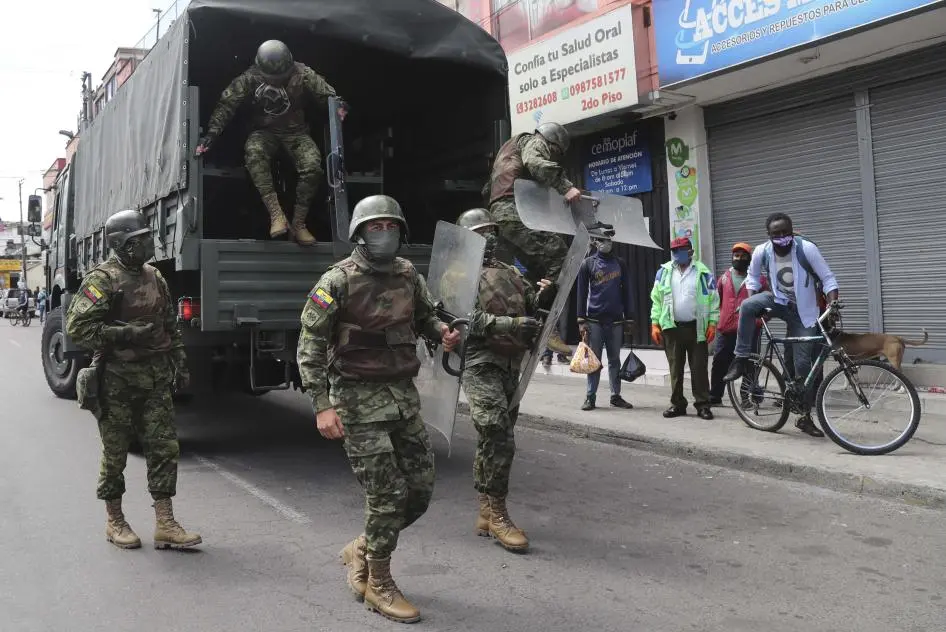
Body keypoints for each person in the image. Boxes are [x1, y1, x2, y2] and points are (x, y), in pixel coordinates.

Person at [297, 195, 461, 624]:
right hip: (356, 400)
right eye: (375, 227)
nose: (384, 234)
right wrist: (322, 406)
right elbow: (310, 346)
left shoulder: (408, 274)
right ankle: (379, 583)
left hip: (402, 397)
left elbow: (425, 318)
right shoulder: (337, 281)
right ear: (360, 233)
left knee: (420, 491)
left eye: (390, 227)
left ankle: (363, 548)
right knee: (386, 495)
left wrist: (442, 332)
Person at [66, 210, 200, 551]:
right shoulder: (102, 280)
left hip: (155, 378)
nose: (151, 243)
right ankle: (115, 521)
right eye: (144, 239)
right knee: (116, 455)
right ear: (125, 245)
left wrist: (180, 364)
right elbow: (77, 329)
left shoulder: (155, 276)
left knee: (164, 449)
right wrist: (126, 333)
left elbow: (170, 325)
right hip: (116, 381)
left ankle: (165, 523)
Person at [457, 208, 551, 553]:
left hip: (512, 363)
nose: (489, 237)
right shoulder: (458, 273)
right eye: (481, 231)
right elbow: (461, 318)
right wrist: (510, 325)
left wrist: (544, 295)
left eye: (492, 231)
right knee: (498, 434)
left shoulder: (510, 271)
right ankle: (498, 513)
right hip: (480, 362)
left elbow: (530, 305)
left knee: (494, 437)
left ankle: (485, 509)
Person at [196, 40, 346, 246]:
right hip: (264, 132)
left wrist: (339, 106)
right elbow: (227, 104)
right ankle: (276, 215)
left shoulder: (303, 73)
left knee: (312, 165)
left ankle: (299, 224)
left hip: (296, 133)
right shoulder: (250, 77)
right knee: (254, 152)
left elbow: (327, 95)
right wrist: (211, 135)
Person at [723, 213, 839, 437]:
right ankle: (741, 358)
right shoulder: (762, 251)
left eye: (786, 232)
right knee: (747, 305)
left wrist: (832, 303)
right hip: (778, 301)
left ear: (792, 231)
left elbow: (828, 278)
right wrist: (755, 302)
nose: (782, 237)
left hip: (804, 312)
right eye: (776, 234)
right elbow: (752, 278)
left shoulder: (806, 249)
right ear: (769, 235)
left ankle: (804, 417)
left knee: (802, 365)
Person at [486, 121, 580, 358]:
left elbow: (489, 187)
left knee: (539, 271)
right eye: (555, 153)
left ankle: (531, 323)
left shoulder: (508, 148)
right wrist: (565, 187)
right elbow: (536, 163)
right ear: (553, 144)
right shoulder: (533, 142)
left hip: (502, 217)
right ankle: (547, 328)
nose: (553, 157)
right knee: (560, 255)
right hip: (514, 211)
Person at [649, 237, 719, 420]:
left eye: (681, 250)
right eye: (674, 251)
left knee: (699, 368)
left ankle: (703, 405)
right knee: (675, 369)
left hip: (697, 327)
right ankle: (677, 404)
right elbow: (656, 299)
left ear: (690, 251)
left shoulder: (703, 273)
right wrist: (655, 323)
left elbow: (713, 298)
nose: (677, 254)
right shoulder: (663, 272)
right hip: (671, 327)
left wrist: (713, 323)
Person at [576, 231, 635, 411]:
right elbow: (581, 293)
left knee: (614, 360)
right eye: (602, 240)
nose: (606, 243)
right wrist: (581, 320)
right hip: (594, 320)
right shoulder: (588, 264)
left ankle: (615, 396)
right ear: (595, 242)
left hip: (616, 321)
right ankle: (590, 397)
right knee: (594, 361)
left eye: (608, 239)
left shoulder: (620, 263)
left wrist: (630, 318)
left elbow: (627, 291)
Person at [709, 242, 768, 405]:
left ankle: (746, 398)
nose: (739, 259)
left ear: (749, 259)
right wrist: (717, 320)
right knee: (720, 362)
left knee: (750, 364)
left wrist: (759, 320)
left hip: (750, 330)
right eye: (736, 255)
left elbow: (768, 302)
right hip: (726, 329)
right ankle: (715, 396)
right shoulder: (724, 278)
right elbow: (716, 301)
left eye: (743, 256)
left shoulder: (759, 279)